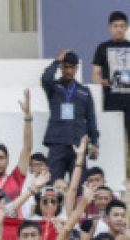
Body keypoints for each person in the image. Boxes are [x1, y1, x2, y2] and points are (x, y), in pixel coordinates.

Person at [41, 50, 100, 180]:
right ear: (61, 68)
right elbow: (45, 78)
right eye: (66, 67)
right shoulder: (53, 87)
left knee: (79, 185)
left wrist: (94, 143)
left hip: (77, 143)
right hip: (57, 142)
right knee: (54, 183)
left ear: (76, 68)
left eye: (72, 67)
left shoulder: (84, 92)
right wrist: (57, 61)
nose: (69, 71)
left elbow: (91, 119)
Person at [93, 11, 130, 146]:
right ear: (110, 28)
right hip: (111, 100)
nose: (119, 29)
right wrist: (100, 81)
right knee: (113, 139)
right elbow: (95, 73)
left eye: (122, 26)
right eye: (116, 26)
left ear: (126, 27)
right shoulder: (102, 48)